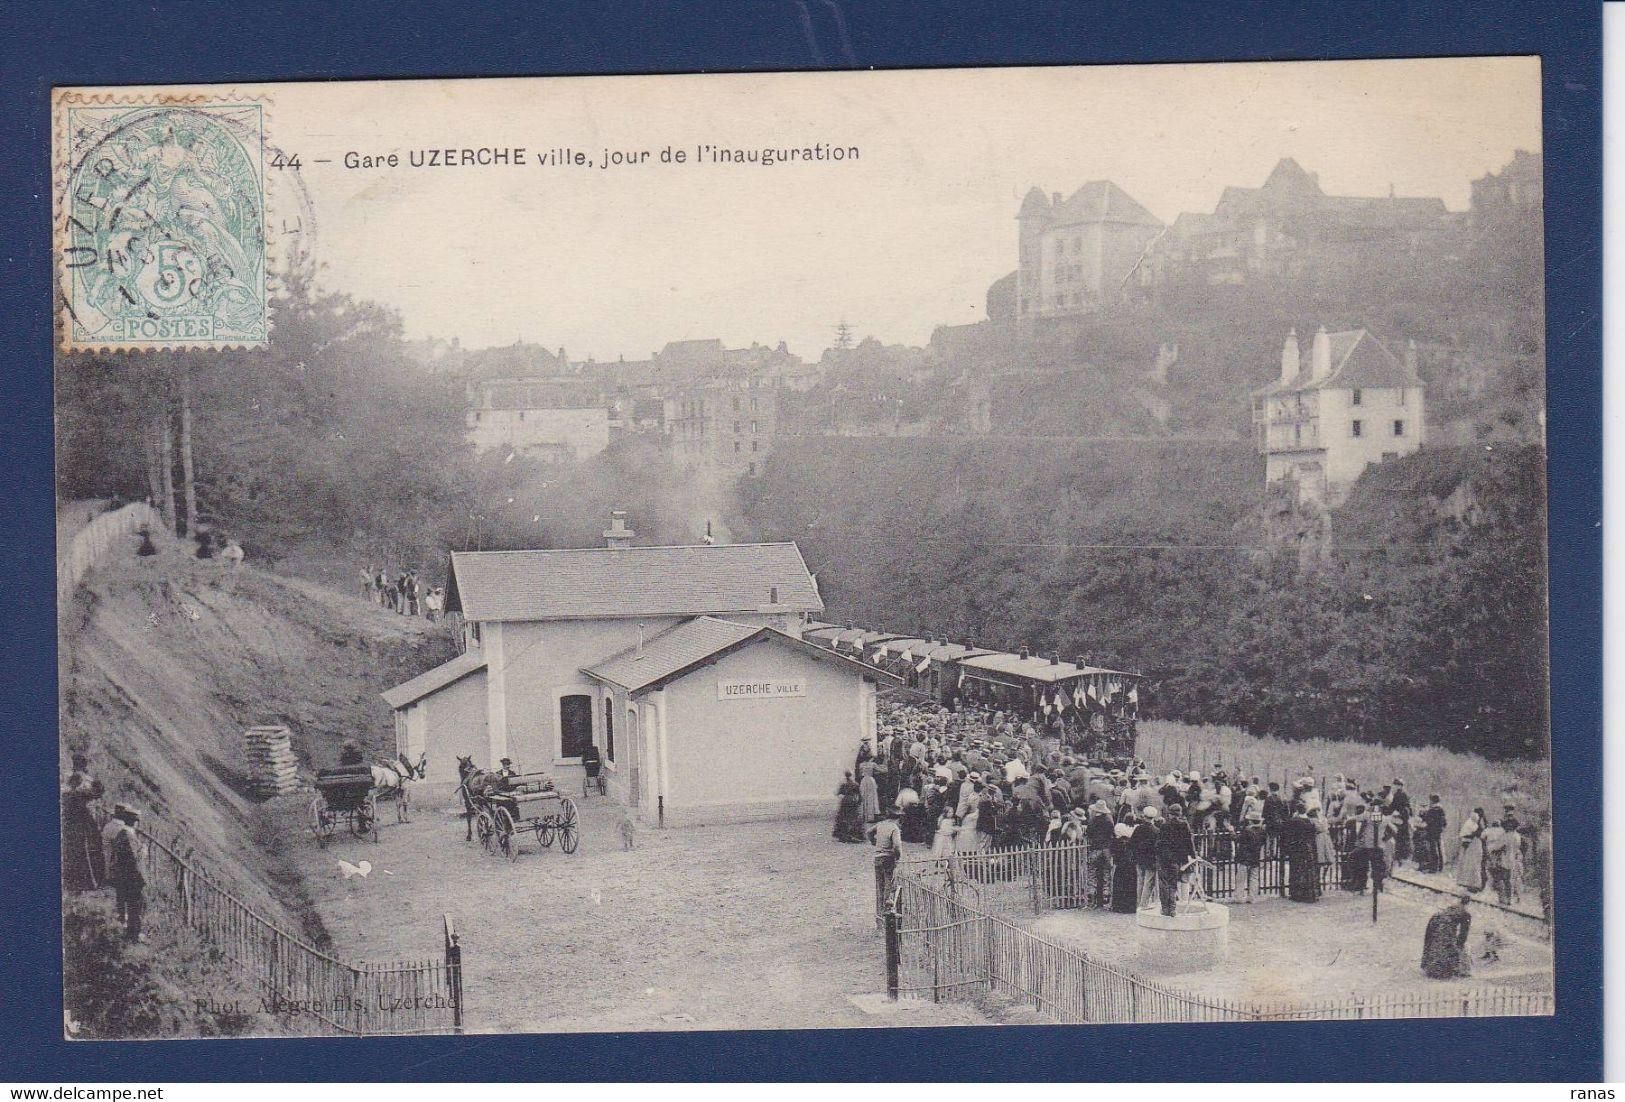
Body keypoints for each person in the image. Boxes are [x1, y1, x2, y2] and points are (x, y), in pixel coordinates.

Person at [61, 753, 106, 891]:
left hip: (74, 819)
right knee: (85, 850)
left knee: (76, 850)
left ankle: (78, 882)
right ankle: (87, 882)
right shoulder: (85, 779)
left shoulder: (73, 777)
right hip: (82, 819)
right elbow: (93, 794)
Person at [105, 804, 146, 944]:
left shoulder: (123, 833)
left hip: (124, 875)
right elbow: (133, 859)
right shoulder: (127, 835)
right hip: (132, 877)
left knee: (129, 905)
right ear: (135, 821)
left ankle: (129, 931)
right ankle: (133, 935)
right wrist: (143, 852)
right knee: (135, 906)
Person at [1155, 803, 1196, 916]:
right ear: (1180, 814)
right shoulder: (1184, 825)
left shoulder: (1165, 826)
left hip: (1165, 858)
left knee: (1164, 884)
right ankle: (1172, 909)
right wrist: (1193, 855)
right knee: (1173, 884)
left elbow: (1159, 844)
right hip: (1179, 859)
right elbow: (1189, 842)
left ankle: (1165, 909)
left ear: (1169, 814)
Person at [1420, 901, 1473, 979]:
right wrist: (1459, 946)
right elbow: (1463, 935)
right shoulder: (1466, 914)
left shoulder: (1452, 908)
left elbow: (1428, 939)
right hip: (1445, 924)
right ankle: (1444, 971)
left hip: (1435, 918)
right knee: (1446, 946)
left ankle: (1431, 967)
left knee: (1433, 943)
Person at [1282, 808, 1320, 903]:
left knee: (1296, 870)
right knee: (1308, 870)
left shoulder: (1293, 822)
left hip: (1296, 849)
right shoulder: (1310, 822)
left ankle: (1296, 894)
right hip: (1308, 848)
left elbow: (1287, 834)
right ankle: (1309, 894)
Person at [1084, 797, 1115, 908]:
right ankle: (1106, 895)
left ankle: (1091, 895)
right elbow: (1112, 833)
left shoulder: (1092, 821)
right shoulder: (1108, 820)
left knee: (1092, 871)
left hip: (1095, 848)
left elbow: (1089, 834)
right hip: (1106, 848)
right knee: (1107, 871)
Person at [1131, 805, 1161, 910]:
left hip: (1139, 858)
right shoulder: (1156, 831)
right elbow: (1157, 847)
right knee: (1149, 882)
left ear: (1144, 816)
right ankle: (1144, 904)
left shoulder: (1138, 828)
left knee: (1140, 881)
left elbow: (1132, 843)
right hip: (1151, 860)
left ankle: (1139, 903)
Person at [1237, 811, 1267, 904]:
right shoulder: (1262, 831)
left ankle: (1239, 897)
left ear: (1250, 821)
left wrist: (1231, 831)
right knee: (1254, 878)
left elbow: (1238, 839)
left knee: (1241, 879)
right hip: (1255, 857)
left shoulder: (1247, 831)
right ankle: (1252, 897)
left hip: (1245, 857)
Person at [1457, 808, 1488, 893]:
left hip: (1478, 844)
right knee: (1477, 865)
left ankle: (1477, 885)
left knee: (1476, 865)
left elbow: (1478, 833)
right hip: (1479, 844)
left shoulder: (1478, 824)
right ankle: (1477, 884)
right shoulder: (1481, 822)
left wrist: (1471, 835)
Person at [833, 772, 865, 843]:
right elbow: (859, 794)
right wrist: (859, 801)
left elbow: (838, 793)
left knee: (843, 817)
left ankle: (843, 835)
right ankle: (855, 834)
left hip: (845, 800)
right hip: (853, 800)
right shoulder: (855, 784)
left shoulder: (843, 784)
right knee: (854, 817)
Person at [1419, 796, 1447, 874]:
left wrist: (1422, 815)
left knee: (1433, 850)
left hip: (1431, 832)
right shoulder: (1441, 810)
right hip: (1439, 831)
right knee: (1439, 848)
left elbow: (1427, 820)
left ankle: (1433, 868)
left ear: (1432, 801)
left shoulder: (1431, 810)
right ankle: (1440, 866)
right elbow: (1444, 822)